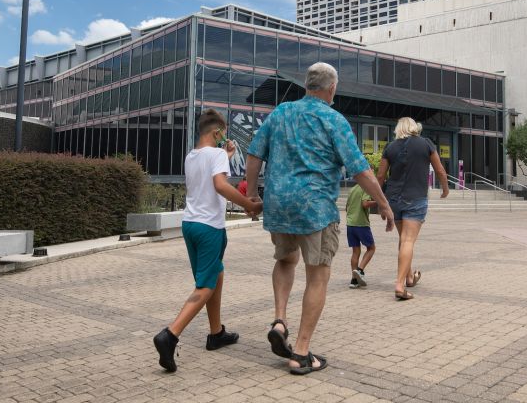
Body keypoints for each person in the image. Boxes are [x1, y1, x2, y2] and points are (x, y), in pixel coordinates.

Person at [245, 62, 394, 375]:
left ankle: (279, 321)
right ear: (332, 88)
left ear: (306, 85)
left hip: (279, 204)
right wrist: (383, 203)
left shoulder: (281, 112)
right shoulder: (333, 119)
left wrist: (253, 195)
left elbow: (254, 154)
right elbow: (359, 169)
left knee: (286, 260)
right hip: (314, 208)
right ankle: (300, 352)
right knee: (318, 275)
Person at [153, 109, 263, 373]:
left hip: (190, 224)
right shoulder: (216, 155)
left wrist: (225, 156)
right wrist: (248, 203)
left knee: (216, 274)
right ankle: (170, 335)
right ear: (217, 132)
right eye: (222, 133)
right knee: (205, 286)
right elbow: (220, 185)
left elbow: (207, 175)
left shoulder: (192, 156)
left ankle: (216, 333)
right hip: (210, 227)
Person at [377, 117, 449, 301]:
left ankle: (409, 277)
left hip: (394, 199)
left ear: (398, 129)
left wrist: (378, 199)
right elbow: (439, 170)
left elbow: (380, 175)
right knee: (408, 240)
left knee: (403, 239)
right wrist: (445, 188)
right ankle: (399, 285)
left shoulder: (390, 147)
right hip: (415, 198)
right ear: (414, 127)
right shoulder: (425, 144)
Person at [345, 168, 377, 288]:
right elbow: (365, 203)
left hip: (350, 224)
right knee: (371, 248)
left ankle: (354, 280)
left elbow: (347, 207)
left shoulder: (352, 189)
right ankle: (360, 270)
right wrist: (377, 201)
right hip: (361, 224)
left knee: (355, 251)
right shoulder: (366, 188)